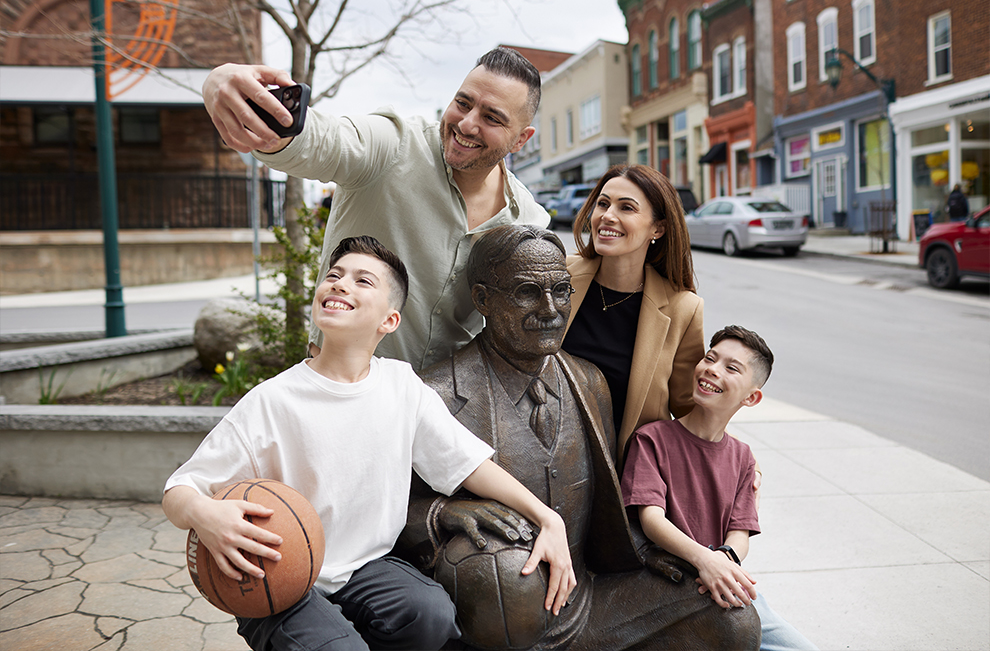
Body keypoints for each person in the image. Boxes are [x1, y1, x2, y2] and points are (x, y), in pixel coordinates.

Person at [162, 235, 575, 651]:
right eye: (334, 275)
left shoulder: (400, 386)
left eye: (363, 281)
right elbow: (180, 489)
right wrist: (205, 515)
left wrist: (547, 519)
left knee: (430, 616)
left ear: (389, 321)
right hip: (278, 577)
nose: (340, 284)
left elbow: (469, 464)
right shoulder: (272, 400)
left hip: (363, 569)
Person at [400, 226, 760, 650]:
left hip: (587, 597)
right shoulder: (435, 394)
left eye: (560, 290)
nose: (550, 309)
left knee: (733, 621)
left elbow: (610, 497)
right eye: (527, 292)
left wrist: (646, 549)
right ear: (482, 299)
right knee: (504, 582)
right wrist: (441, 513)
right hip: (504, 608)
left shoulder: (589, 382)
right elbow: (388, 507)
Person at [201, 47, 549, 369]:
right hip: (344, 388)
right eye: (463, 102)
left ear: (521, 139)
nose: (467, 123)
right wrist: (226, 84)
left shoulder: (527, 220)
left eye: (492, 118)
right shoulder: (393, 145)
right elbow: (323, 140)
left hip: (445, 404)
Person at [621, 325, 818, 650]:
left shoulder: (743, 458)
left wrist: (723, 560)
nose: (712, 369)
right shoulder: (652, 439)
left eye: (731, 368)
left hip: (724, 579)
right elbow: (652, 520)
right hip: (670, 579)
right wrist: (705, 561)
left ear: (751, 397)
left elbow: (740, 534)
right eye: (710, 358)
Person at [562, 164, 703, 466]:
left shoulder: (683, 308)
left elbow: (689, 409)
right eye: (603, 203)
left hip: (625, 473)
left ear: (658, 228)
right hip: (546, 467)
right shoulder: (559, 275)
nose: (607, 216)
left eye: (626, 207)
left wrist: (737, 459)